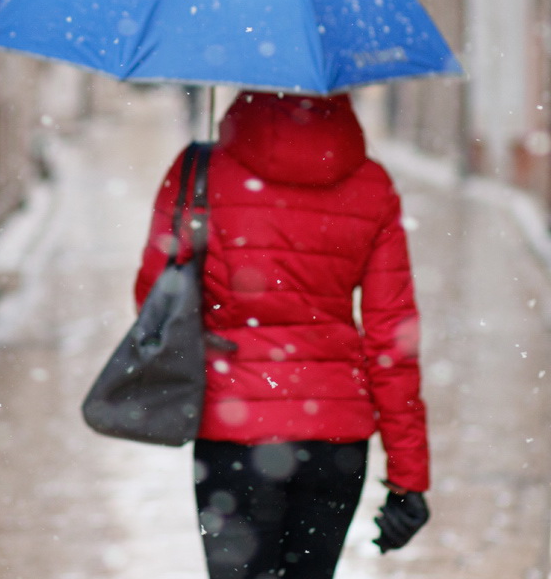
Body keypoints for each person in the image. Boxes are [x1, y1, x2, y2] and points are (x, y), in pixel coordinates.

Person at [134, 91, 430, 579]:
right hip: (335, 439)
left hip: (233, 433)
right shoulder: (372, 185)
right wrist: (408, 477)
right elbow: (391, 338)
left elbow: (155, 301)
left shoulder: (199, 172)